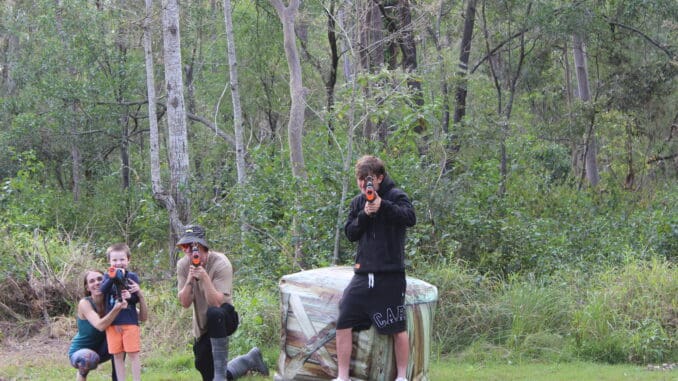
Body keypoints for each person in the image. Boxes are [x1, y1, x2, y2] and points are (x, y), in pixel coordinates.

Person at [334, 155, 416, 381]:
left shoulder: (396, 196)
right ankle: (342, 377)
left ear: (380, 177)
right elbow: (350, 233)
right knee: (343, 321)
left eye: (367, 179)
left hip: (390, 274)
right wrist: (365, 215)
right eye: (360, 179)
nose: (363, 184)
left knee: (397, 327)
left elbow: (410, 217)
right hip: (362, 274)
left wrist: (383, 206)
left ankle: (401, 377)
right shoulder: (358, 202)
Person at [176, 225, 269, 381]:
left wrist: (204, 277)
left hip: (225, 317)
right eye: (184, 247)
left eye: (191, 246)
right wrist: (190, 280)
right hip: (203, 325)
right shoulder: (183, 265)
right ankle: (249, 360)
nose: (188, 251)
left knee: (214, 313)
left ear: (201, 246)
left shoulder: (220, 262)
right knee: (203, 367)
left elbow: (216, 303)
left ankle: (220, 376)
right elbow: (184, 303)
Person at [99, 243, 148, 381]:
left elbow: (135, 298)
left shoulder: (132, 276)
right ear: (109, 262)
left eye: (122, 259)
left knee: (133, 354)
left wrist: (130, 297)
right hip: (113, 323)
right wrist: (112, 277)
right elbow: (102, 291)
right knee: (117, 355)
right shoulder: (107, 276)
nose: (118, 263)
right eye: (114, 260)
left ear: (128, 260)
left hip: (130, 321)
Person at [68, 269, 128, 381]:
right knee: (87, 357)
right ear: (87, 287)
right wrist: (116, 309)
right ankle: (82, 375)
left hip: (103, 349)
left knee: (121, 340)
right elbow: (100, 326)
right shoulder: (85, 303)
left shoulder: (111, 300)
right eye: (92, 281)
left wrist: (139, 296)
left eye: (100, 279)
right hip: (81, 351)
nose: (97, 283)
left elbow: (141, 317)